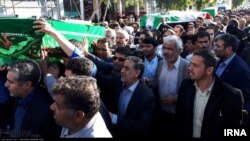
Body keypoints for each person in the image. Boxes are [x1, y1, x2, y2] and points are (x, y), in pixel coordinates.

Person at [176, 50, 243, 138]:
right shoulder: (186, 86)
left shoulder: (231, 95)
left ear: (209, 70)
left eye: (195, 65)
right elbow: (179, 118)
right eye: (190, 64)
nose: (190, 68)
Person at [5, 60, 60, 138]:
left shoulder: (46, 112)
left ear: (27, 85)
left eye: (10, 82)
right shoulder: (17, 96)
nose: (5, 84)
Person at [109, 56, 155, 137]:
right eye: (123, 67)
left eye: (126, 68)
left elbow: (141, 126)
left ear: (137, 73)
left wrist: (114, 118)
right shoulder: (117, 82)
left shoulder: (147, 96)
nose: (122, 71)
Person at [214, 33, 250, 121]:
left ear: (229, 49)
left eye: (218, 46)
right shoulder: (220, 61)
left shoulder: (241, 69)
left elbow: (246, 98)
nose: (215, 49)